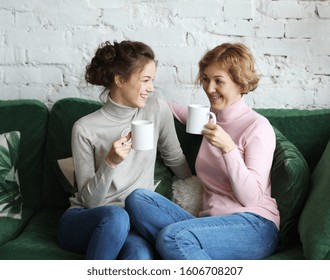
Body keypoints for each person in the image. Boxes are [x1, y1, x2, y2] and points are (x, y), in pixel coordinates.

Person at [125, 42, 280, 260]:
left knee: (172, 237)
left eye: (219, 81)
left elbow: (251, 198)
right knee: (137, 199)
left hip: (254, 224)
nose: (209, 88)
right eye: (206, 79)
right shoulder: (208, 120)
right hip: (206, 225)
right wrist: (137, 95)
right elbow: (169, 107)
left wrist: (228, 149)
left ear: (240, 83)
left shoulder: (258, 127)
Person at [57, 40, 191, 260]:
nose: (151, 88)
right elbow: (90, 201)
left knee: (139, 256)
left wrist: (197, 191)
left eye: (152, 80)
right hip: (86, 219)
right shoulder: (85, 128)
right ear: (120, 80)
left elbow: (174, 156)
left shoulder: (157, 110)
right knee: (116, 217)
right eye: (145, 80)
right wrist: (110, 162)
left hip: (133, 222)